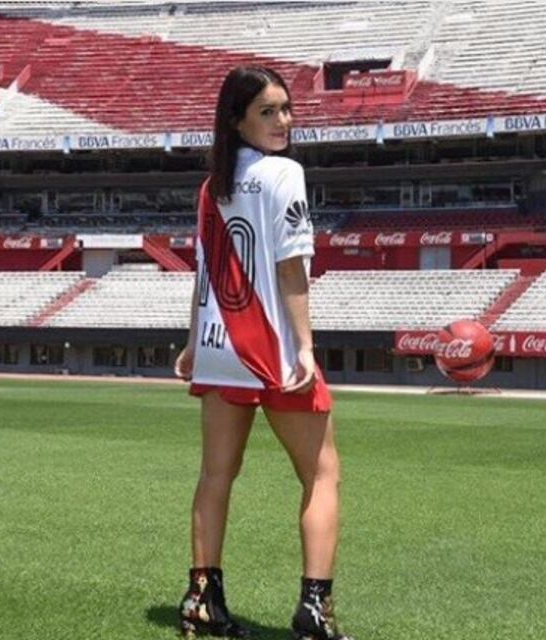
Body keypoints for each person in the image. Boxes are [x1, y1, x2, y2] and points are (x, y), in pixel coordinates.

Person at [173, 66, 351, 640]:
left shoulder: (212, 185)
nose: (283, 121)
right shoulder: (284, 173)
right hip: (270, 349)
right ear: (238, 120)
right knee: (322, 475)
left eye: (286, 109)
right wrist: (305, 346)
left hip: (220, 346)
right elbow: (290, 266)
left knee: (215, 475)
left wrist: (194, 340)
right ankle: (313, 613)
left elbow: (206, 267)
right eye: (267, 112)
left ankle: (201, 601)